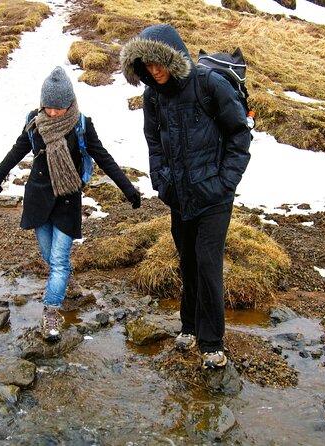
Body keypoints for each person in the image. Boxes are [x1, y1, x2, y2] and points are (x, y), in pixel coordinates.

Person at [120, 25, 251, 368]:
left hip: (214, 197)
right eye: (146, 65)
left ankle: (212, 343)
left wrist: (225, 183)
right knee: (188, 261)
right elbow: (153, 140)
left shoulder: (210, 85)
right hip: (179, 195)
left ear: (174, 58)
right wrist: (161, 180)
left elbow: (239, 135)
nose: (154, 70)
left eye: (159, 63)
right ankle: (189, 327)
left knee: (208, 264)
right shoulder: (153, 96)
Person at [0, 66, 141, 342]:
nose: (54, 113)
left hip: (68, 200)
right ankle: (67, 285)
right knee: (51, 258)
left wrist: (128, 189)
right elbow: (16, 151)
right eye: (49, 107)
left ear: (69, 103)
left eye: (59, 107)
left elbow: (103, 157)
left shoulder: (81, 124)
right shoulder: (34, 123)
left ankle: (51, 313)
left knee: (59, 261)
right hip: (38, 200)